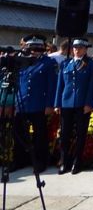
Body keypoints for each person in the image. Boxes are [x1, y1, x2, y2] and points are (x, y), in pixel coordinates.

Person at [7, 35, 57, 173]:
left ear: (42, 48)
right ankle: (19, 160)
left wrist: (49, 105)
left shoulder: (48, 63)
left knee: (39, 135)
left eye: (37, 48)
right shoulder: (21, 62)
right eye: (31, 48)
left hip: (39, 104)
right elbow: (17, 83)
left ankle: (40, 161)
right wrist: (15, 103)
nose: (34, 51)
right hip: (22, 103)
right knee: (19, 134)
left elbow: (52, 85)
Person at [55, 38, 93, 174]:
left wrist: (89, 103)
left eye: (80, 48)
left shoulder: (90, 64)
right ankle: (64, 161)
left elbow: (91, 85)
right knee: (65, 134)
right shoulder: (66, 63)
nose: (77, 50)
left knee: (80, 134)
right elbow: (60, 85)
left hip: (81, 104)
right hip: (66, 103)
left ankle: (77, 162)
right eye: (75, 48)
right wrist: (57, 103)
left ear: (85, 49)